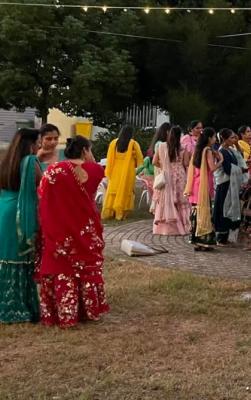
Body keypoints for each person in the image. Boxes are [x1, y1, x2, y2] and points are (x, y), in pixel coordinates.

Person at [38, 136, 109, 328]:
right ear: (85, 150)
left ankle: (60, 313)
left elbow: (42, 195)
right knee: (84, 267)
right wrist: (88, 159)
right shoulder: (95, 170)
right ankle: (88, 310)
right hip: (85, 228)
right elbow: (91, 181)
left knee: (61, 267)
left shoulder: (53, 170)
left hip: (59, 229)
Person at [0, 128, 42, 323]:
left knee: (6, 257)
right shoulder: (30, 162)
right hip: (19, 212)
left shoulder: (6, 160)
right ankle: (17, 306)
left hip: (4, 209)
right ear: (31, 144)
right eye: (38, 141)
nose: (39, 145)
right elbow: (43, 185)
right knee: (19, 257)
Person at [184, 128, 221, 251]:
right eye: (214, 137)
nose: (215, 139)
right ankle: (204, 241)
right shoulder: (207, 151)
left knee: (195, 211)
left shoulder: (197, 150)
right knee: (205, 211)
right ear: (209, 138)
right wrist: (221, 161)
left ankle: (195, 241)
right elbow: (212, 168)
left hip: (195, 184)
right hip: (204, 185)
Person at [152, 126, 191, 236]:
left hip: (166, 175)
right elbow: (186, 163)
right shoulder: (183, 147)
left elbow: (154, 161)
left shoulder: (161, 146)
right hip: (179, 175)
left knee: (167, 199)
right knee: (180, 200)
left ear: (169, 134)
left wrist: (163, 167)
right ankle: (183, 225)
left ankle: (166, 227)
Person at [102, 125, 143, 221]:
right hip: (128, 171)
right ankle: (122, 213)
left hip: (115, 170)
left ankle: (110, 213)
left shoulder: (114, 143)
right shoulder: (134, 144)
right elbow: (140, 159)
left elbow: (109, 158)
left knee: (114, 191)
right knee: (125, 191)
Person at [213, 129, 238, 247]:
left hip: (231, 183)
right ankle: (221, 237)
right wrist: (239, 171)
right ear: (224, 139)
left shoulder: (230, 150)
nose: (234, 140)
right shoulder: (222, 151)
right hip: (225, 184)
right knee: (223, 208)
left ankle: (226, 235)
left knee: (229, 208)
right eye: (232, 138)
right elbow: (227, 169)